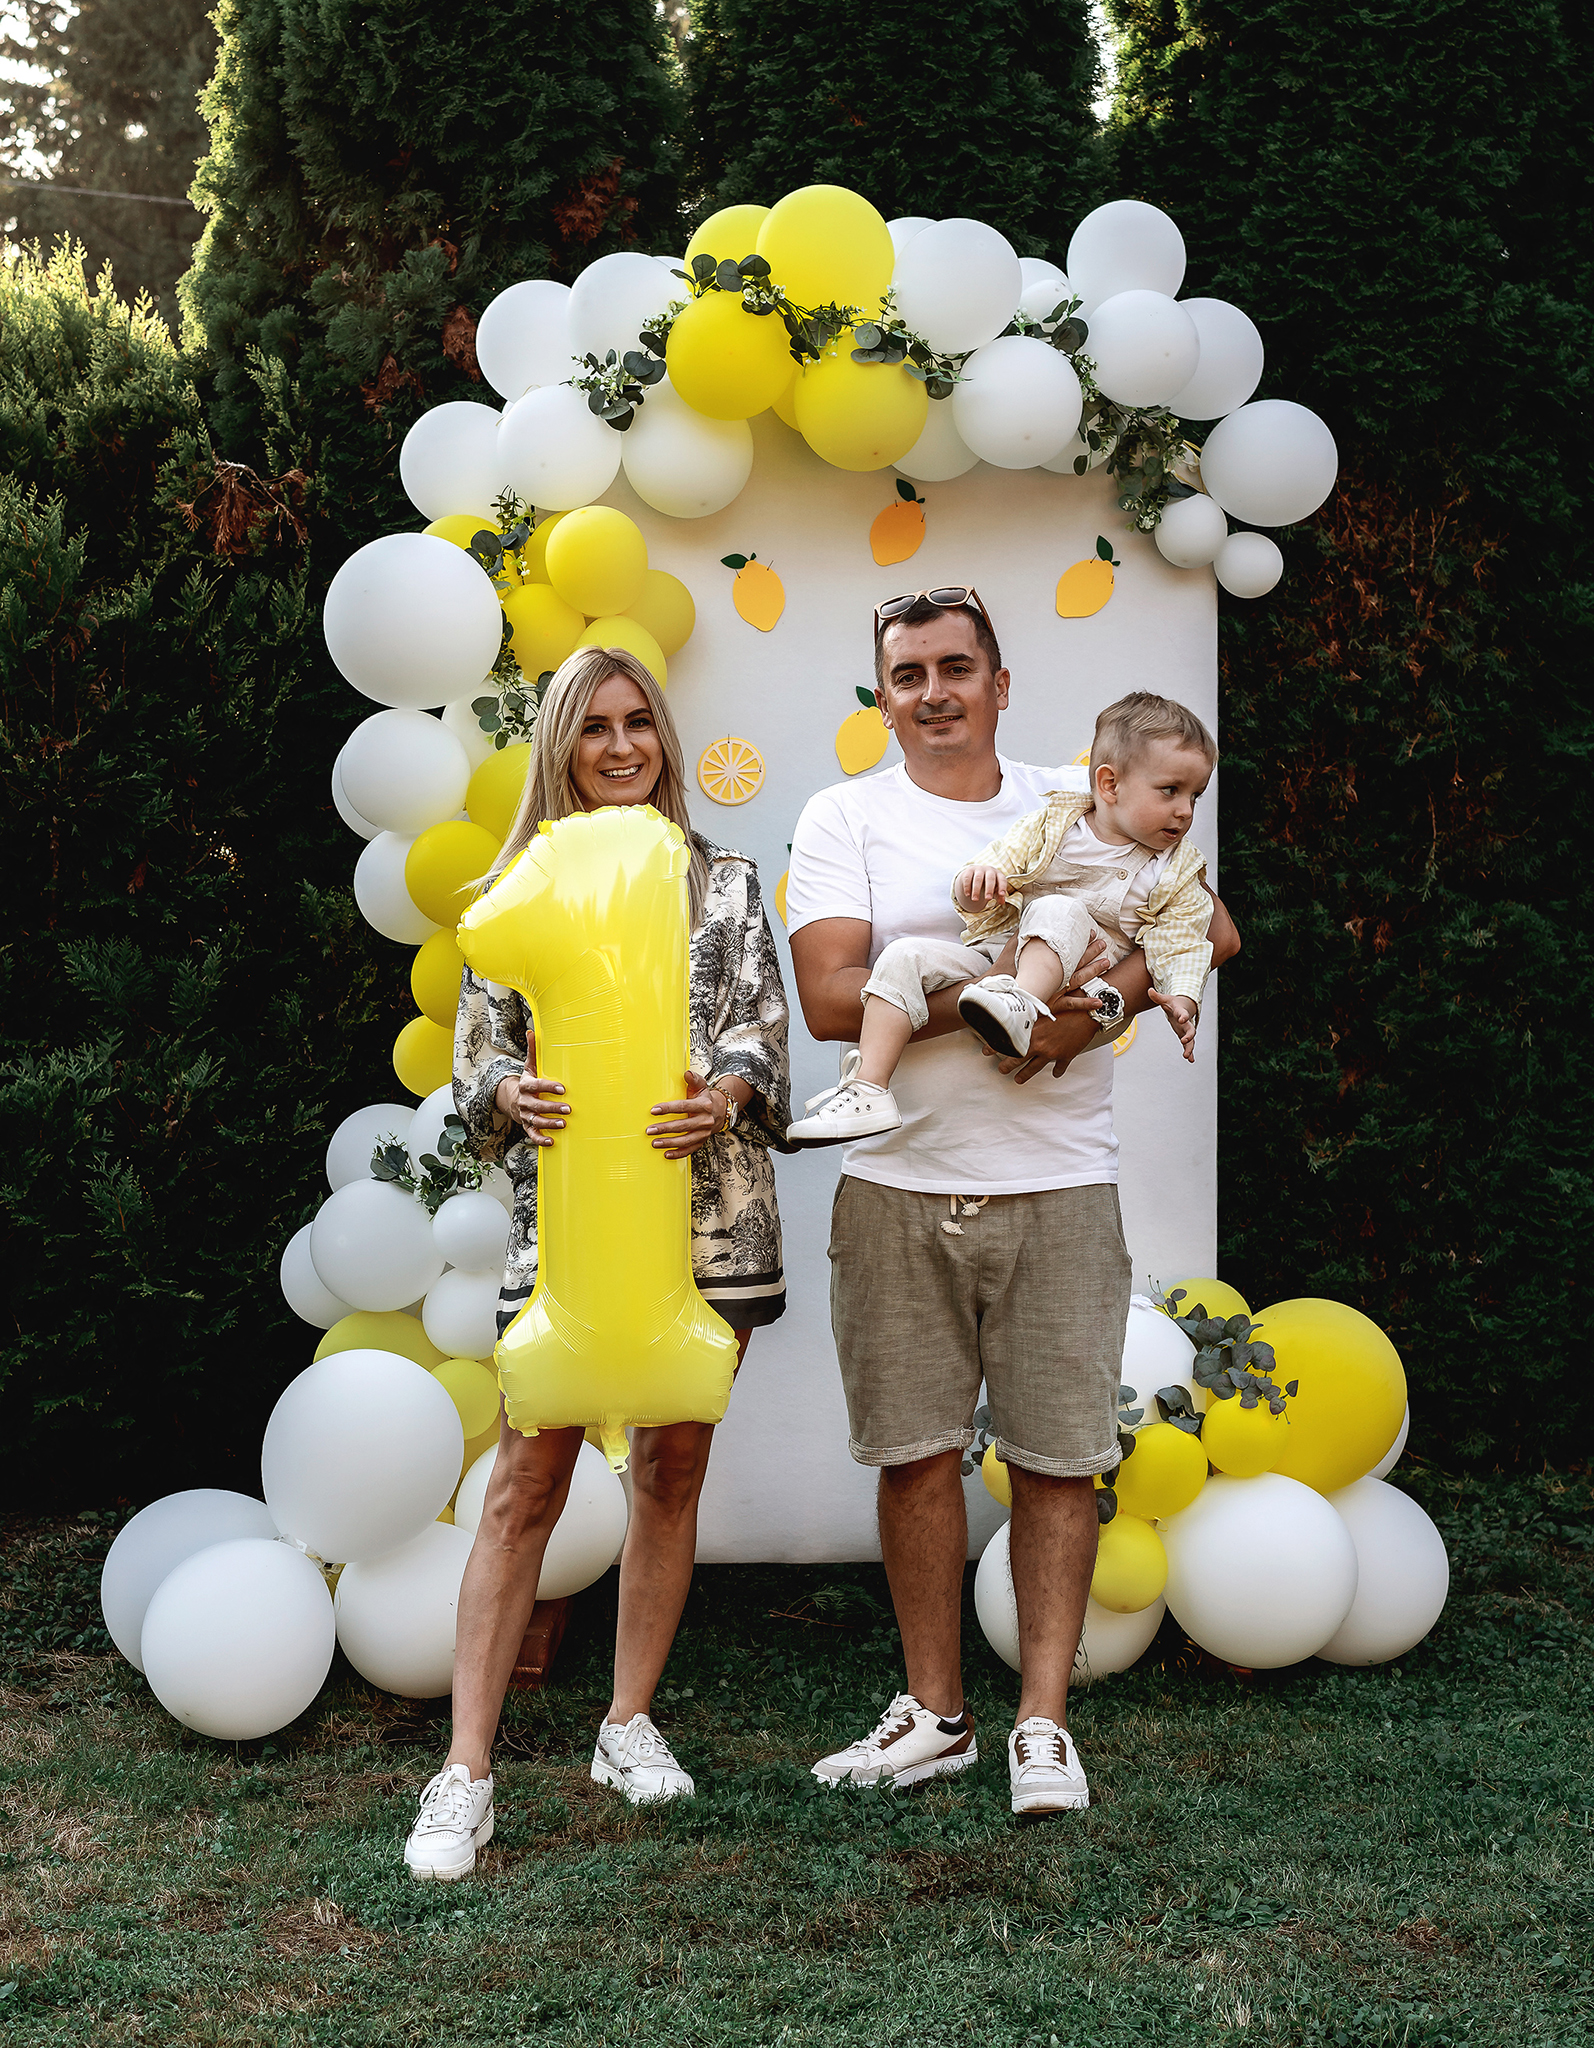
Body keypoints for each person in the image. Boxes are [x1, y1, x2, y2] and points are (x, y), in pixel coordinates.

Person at [783, 586, 1240, 1816]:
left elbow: (1209, 924)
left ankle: (1043, 1724)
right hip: (894, 1186)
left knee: (1055, 1460)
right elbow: (828, 998)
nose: (932, 691)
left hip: (1058, 1183)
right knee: (914, 1458)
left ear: (998, 682)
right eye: (907, 673)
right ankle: (935, 1715)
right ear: (882, 696)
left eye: (954, 666)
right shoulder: (843, 814)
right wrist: (1001, 1008)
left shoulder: (1078, 796)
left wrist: (1094, 1009)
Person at [403, 646, 792, 1880]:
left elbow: (761, 1030)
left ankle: (626, 1722)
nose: (621, 747)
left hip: (712, 1219)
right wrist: (505, 1091)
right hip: (566, 1229)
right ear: (560, 746)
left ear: (663, 738)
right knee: (525, 1482)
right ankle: (465, 1770)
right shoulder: (517, 888)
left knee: (672, 1466)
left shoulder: (724, 881)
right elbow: (477, 1057)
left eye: (639, 723)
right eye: (593, 727)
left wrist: (725, 1093)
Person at [785, 690, 1217, 1143]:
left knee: (1056, 907)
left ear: (1000, 684)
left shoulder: (1177, 868)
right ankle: (869, 1088)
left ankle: (1019, 1006)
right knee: (902, 956)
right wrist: (975, 888)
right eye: (1171, 791)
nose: (1185, 811)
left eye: (1195, 795)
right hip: (1001, 956)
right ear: (1108, 785)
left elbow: (1190, 938)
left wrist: (1182, 997)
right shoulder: (1056, 818)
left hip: (1078, 980)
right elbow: (995, 867)